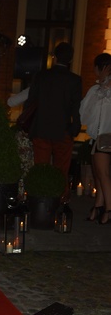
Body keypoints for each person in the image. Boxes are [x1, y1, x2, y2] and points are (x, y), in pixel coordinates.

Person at [27, 42, 82, 199]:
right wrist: (74, 129)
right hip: (63, 129)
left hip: (41, 128)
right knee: (61, 170)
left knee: (41, 167)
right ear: (70, 60)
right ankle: (60, 201)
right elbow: (76, 108)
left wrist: (29, 125)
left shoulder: (41, 76)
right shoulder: (75, 80)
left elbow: (31, 103)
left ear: (54, 57)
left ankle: (39, 200)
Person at [80, 52, 111, 224]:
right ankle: (98, 206)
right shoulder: (96, 90)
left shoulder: (103, 91)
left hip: (106, 136)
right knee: (99, 174)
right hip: (98, 137)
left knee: (103, 174)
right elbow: (85, 115)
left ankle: (108, 209)